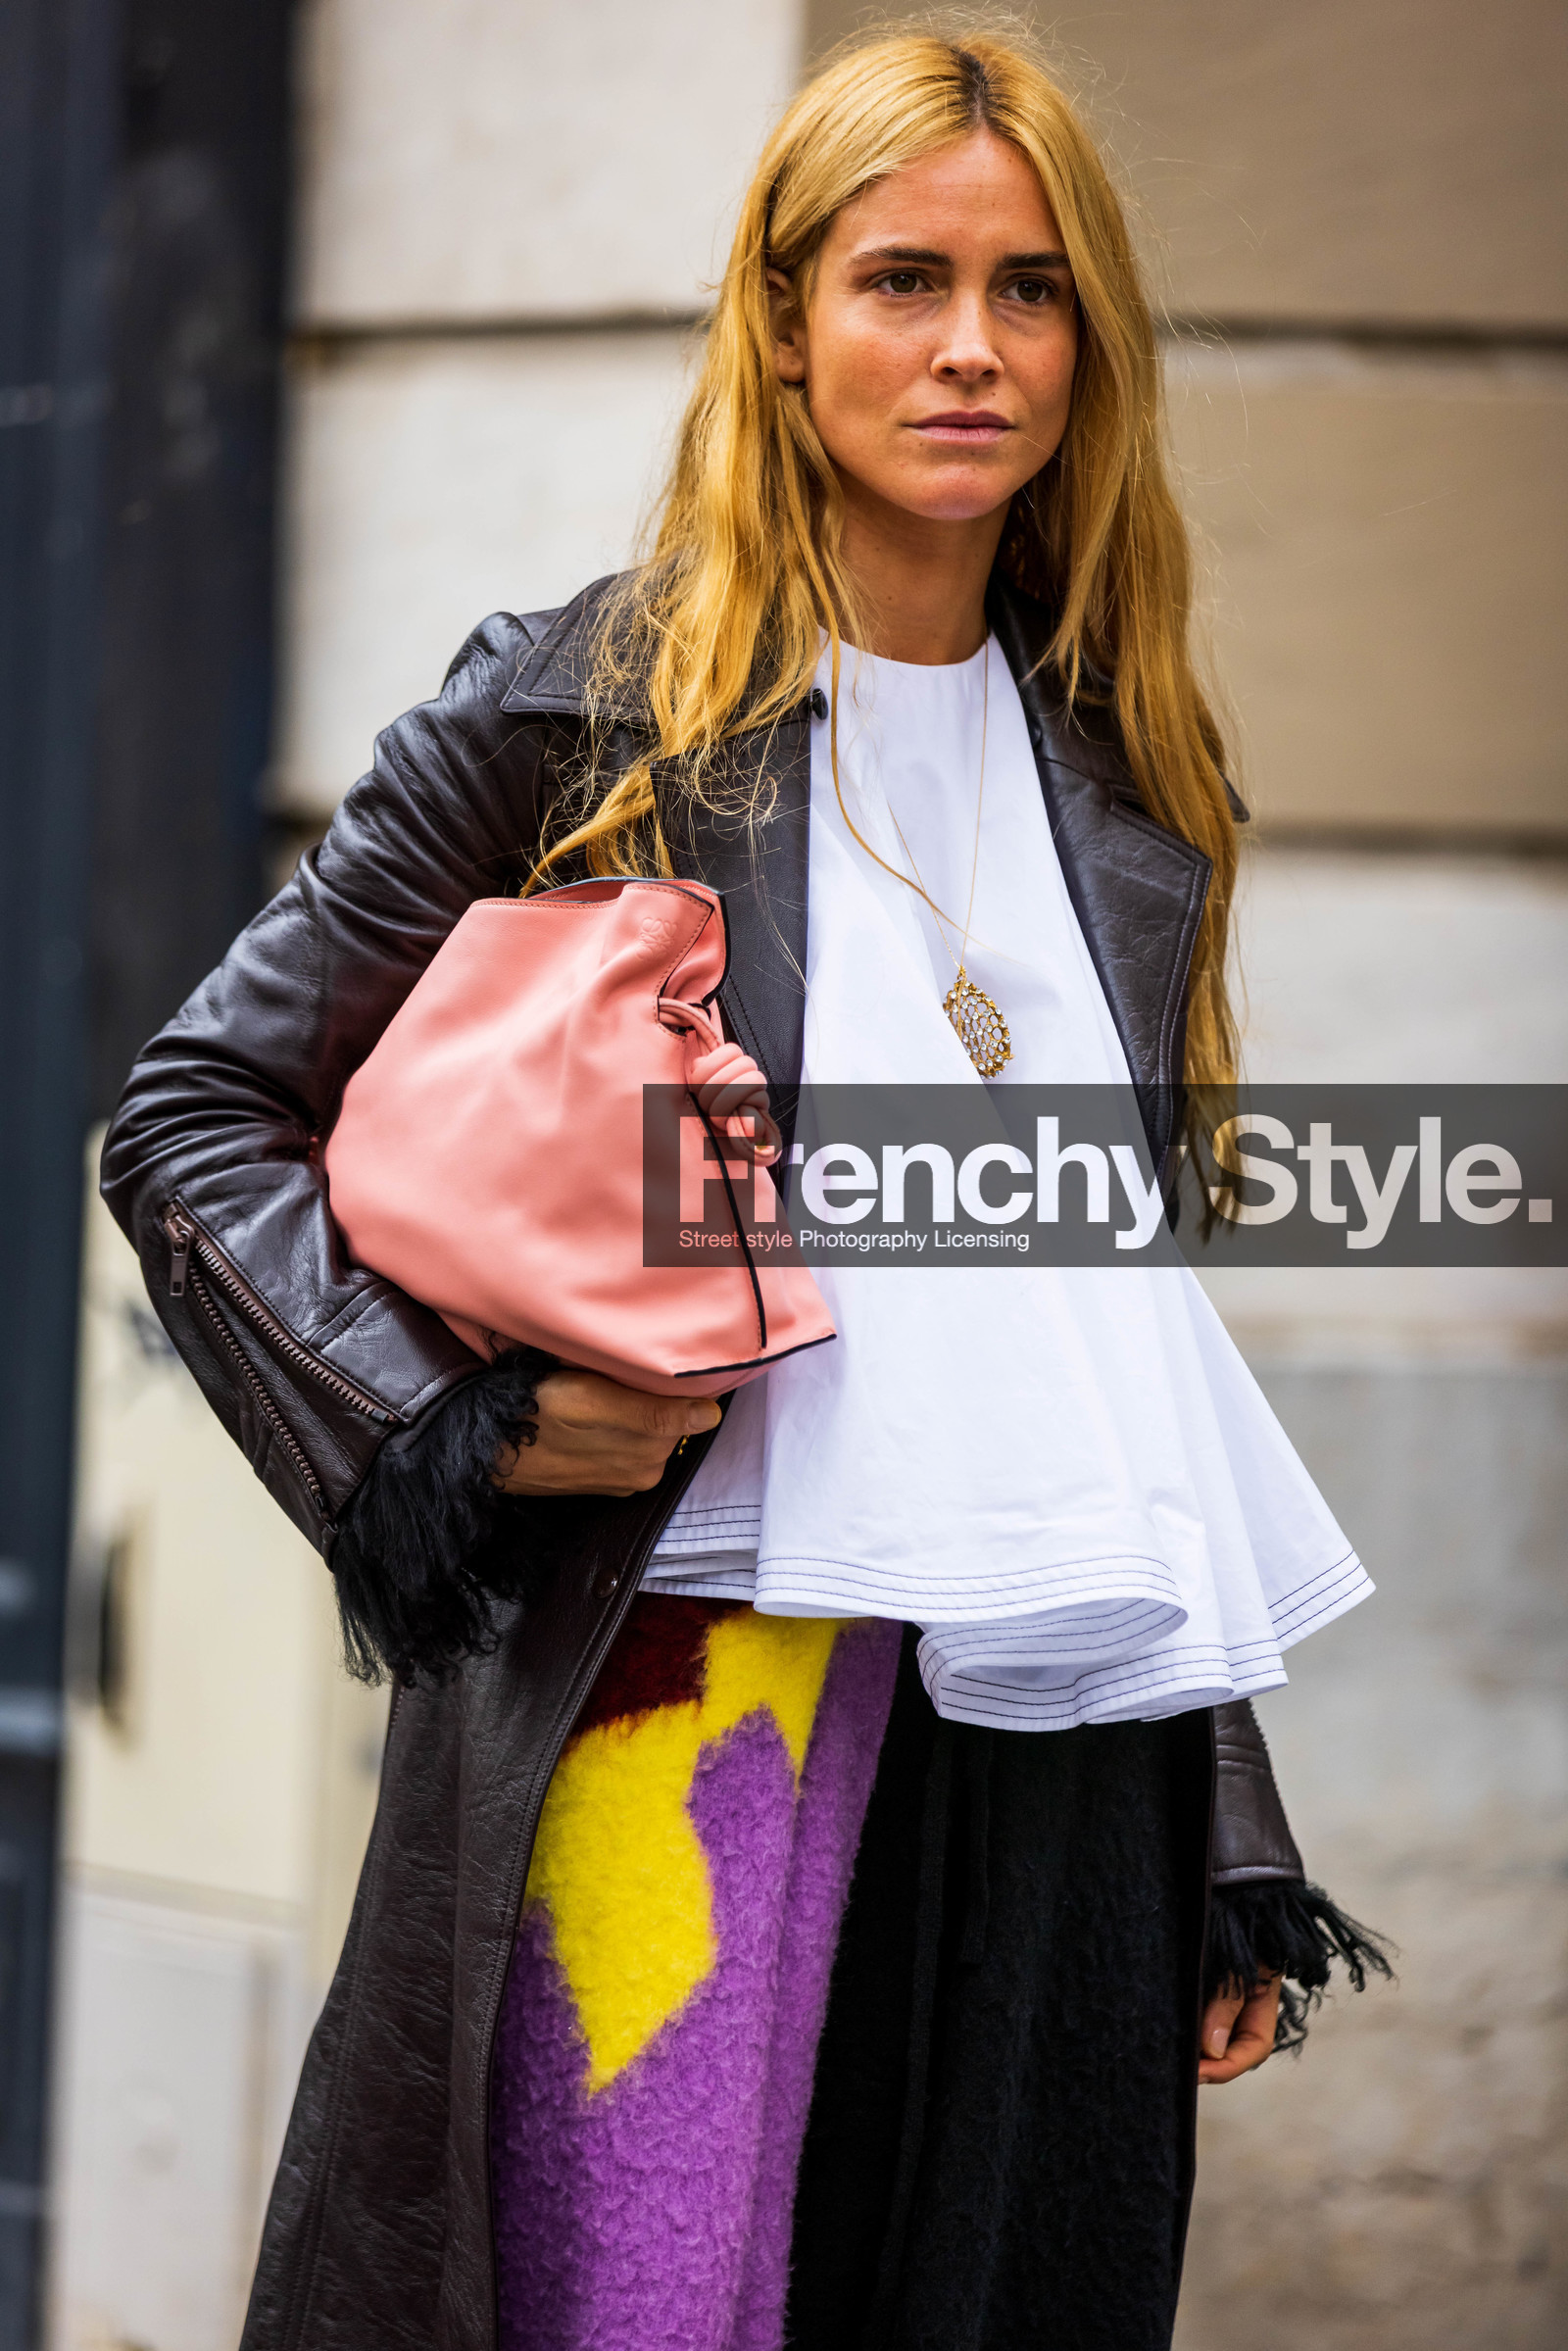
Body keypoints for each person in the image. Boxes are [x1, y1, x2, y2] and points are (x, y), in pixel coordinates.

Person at [103, 27, 1389, 2351]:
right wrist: (446, 1427)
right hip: (690, 1690)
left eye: (1030, 289)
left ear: (1088, 347)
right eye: (902, 279)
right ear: (783, 322)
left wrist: (1225, 1831)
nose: (972, 346)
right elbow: (193, 1119)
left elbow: (1109, 1355)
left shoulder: (1124, 785)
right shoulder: (581, 710)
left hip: (1045, 1756)